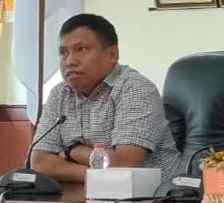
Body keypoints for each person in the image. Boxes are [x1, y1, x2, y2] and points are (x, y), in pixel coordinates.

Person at [31, 13, 184, 183]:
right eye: (63, 52)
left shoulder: (135, 88)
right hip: (87, 192)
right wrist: (98, 175)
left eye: (81, 49)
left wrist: (71, 152)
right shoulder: (60, 94)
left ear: (112, 54)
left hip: (156, 195)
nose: (69, 61)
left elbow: (125, 163)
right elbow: (39, 162)